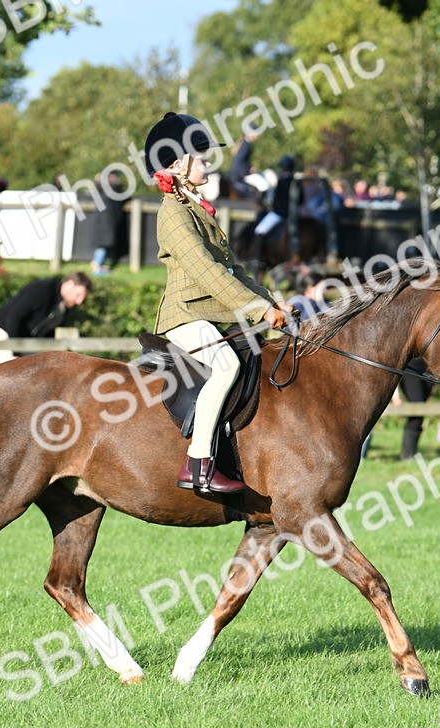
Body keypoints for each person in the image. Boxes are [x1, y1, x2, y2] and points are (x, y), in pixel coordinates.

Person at [144, 111, 294, 493]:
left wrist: (273, 302)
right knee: (225, 366)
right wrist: (259, 310)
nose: (210, 163)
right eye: (203, 157)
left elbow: (235, 271)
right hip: (184, 316)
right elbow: (207, 272)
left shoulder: (195, 207)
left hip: (208, 314)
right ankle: (198, 465)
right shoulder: (174, 213)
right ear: (177, 165)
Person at [0, 272, 92, 363]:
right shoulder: (40, 290)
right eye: (78, 295)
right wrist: (16, 352)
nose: (80, 301)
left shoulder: (63, 306)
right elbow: (13, 319)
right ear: (69, 284)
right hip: (2, 332)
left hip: (25, 342)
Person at [89, 172, 127, 277]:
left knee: (102, 245)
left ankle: (98, 265)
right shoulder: (112, 190)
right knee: (103, 245)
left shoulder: (100, 189)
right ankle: (96, 267)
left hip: (102, 221)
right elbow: (124, 196)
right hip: (107, 222)